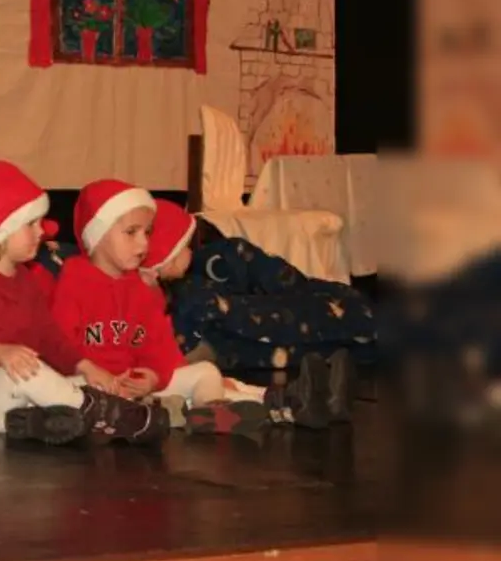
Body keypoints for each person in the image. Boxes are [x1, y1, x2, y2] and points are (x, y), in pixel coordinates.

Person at [50, 181, 326, 435]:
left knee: (206, 371)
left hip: (133, 386)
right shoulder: (74, 278)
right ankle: (159, 412)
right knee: (62, 390)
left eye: (147, 232)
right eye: (131, 232)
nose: (144, 243)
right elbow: (57, 341)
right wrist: (92, 371)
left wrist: (153, 377)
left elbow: (159, 345)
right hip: (91, 383)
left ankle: (209, 411)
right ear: (97, 235)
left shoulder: (142, 289)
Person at [0, 162, 166, 445]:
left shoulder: (27, 280)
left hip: (13, 401)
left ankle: (58, 418)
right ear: (0, 231)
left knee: (77, 379)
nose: (42, 232)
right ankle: (108, 413)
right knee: (27, 372)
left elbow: (50, 338)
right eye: (31, 224)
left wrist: (86, 367)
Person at [143, 199, 357, 423]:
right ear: (168, 254)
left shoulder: (153, 291)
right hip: (164, 376)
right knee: (218, 385)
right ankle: (290, 406)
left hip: (172, 370)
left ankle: (314, 401)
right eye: (185, 247)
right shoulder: (148, 294)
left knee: (226, 382)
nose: (191, 251)